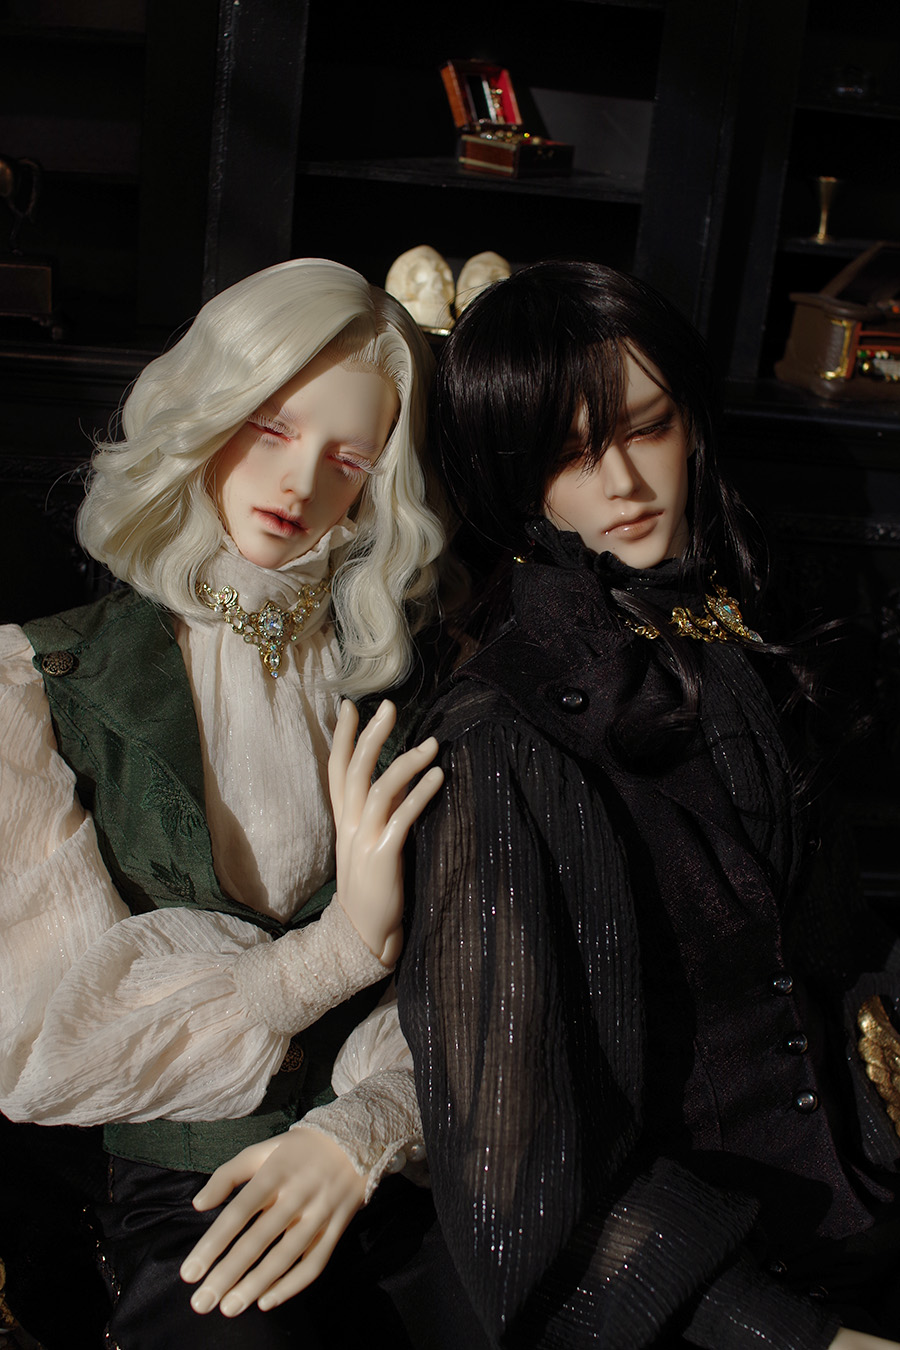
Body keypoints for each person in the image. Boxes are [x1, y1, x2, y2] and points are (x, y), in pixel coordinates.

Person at [397, 260, 900, 1350]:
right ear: (513, 476)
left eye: (649, 427)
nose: (624, 482)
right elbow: (518, 1172)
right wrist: (793, 1340)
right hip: (687, 1291)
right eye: (571, 453)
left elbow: (834, 950)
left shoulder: (740, 632)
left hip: (860, 1211)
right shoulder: (503, 739)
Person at [0, 258, 449, 1348]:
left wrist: (370, 1122)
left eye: (347, 458)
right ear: (206, 412)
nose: (299, 482)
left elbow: (485, 959)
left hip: (404, 1144)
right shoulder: (41, 682)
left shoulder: (408, 676)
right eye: (271, 426)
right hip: (181, 1178)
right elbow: (43, 1044)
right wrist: (338, 950)